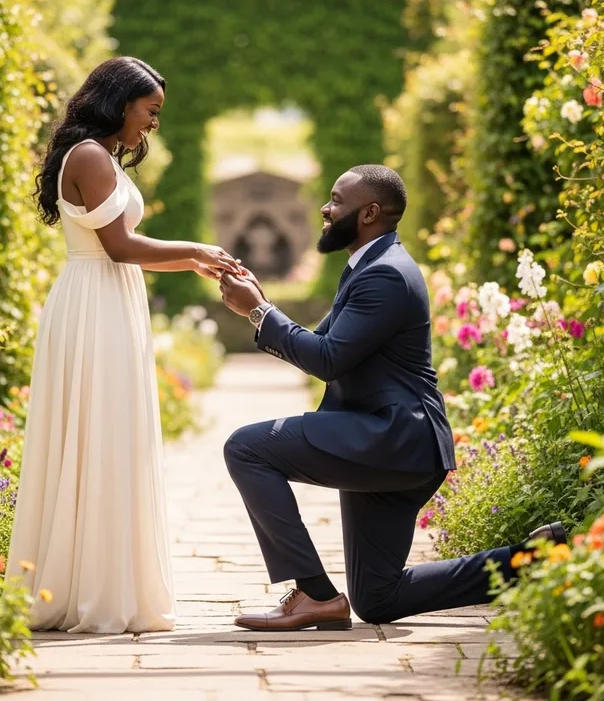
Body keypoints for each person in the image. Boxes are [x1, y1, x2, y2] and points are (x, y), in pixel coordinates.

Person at [218, 164, 566, 631]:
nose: (325, 207)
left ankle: (314, 595)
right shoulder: (371, 266)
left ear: (370, 212)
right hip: (393, 444)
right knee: (378, 598)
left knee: (247, 447)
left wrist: (260, 312)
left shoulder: (385, 275)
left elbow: (326, 360)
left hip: (393, 438)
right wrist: (260, 304)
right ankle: (528, 561)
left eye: (337, 201)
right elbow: (319, 346)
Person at [6, 56, 240, 634]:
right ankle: (88, 591)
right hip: (94, 303)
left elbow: (125, 245)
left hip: (110, 301)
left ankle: (106, 580)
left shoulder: (102, 155)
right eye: (151, 110)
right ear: (120, 101)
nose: (153, 123)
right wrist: (196, 252)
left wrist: (195, 258)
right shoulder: (88, 155)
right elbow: (118, 245)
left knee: (110, 437)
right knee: (98, 434)